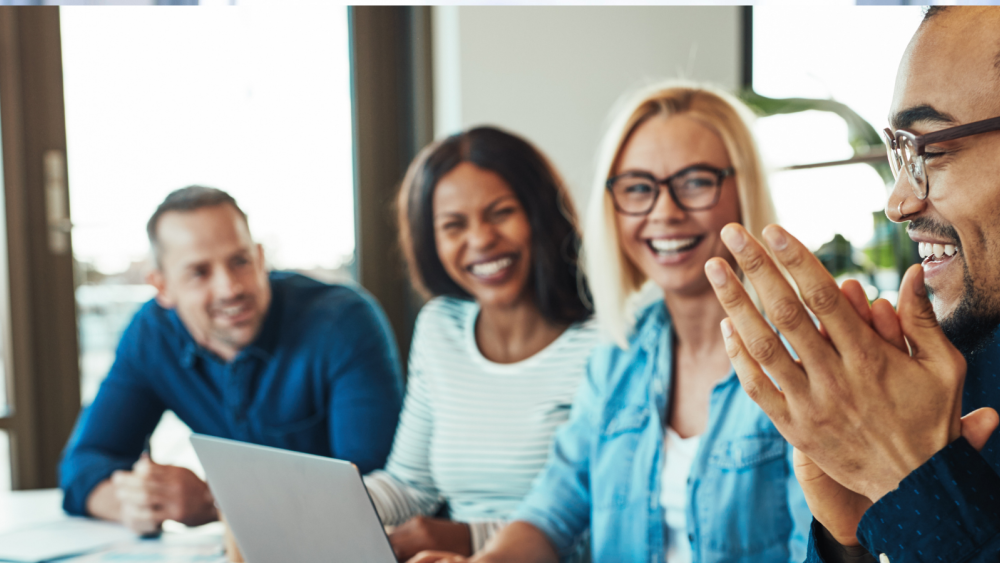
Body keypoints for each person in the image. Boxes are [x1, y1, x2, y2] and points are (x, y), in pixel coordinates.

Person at [408, 83, 812, 563]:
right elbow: (551, 514)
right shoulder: (618, 360)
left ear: (744, 191)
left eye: (696, 181)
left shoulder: (800, 360)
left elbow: (816, 546)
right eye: (639, 188)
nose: (664, 212)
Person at [702, 6, 1000, 562]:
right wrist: (857, 538)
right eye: (899, 152)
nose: (899, 202)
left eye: (929, 149)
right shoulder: (954, 368)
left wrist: (909, 482)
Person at [59, 186, 404, 534]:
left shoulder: (342, 322)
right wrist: (138, 503)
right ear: (162, 286)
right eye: (199, 272)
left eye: (240, 261)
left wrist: (213, 501)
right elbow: (81, 469)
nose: (230, 288)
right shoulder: (151, 335)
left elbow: (376, 491)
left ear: (259, 257)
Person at [359, 126, 600, 562]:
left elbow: (615, 520)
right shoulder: (440, 327)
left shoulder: (603, 341)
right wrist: (330, 507)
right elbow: (410, 485)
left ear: (541, 214)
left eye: (501, 213)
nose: (481, 239)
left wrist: (468, 538)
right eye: (453, 225)